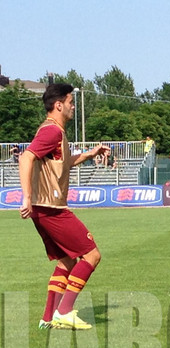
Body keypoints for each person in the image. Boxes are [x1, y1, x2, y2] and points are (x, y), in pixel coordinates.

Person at [19, 83, 110, 330]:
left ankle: (48, 318)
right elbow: (26, 157)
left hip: (44, 209)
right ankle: (65, 311)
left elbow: (63, 162)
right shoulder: (52, 132)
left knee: (67, 262)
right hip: (51, 209)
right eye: (71, 102)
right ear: (59, 105)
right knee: (92, 255)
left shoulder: (53, 131)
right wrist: (25, 196)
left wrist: (91, 154)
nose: (72, 107)